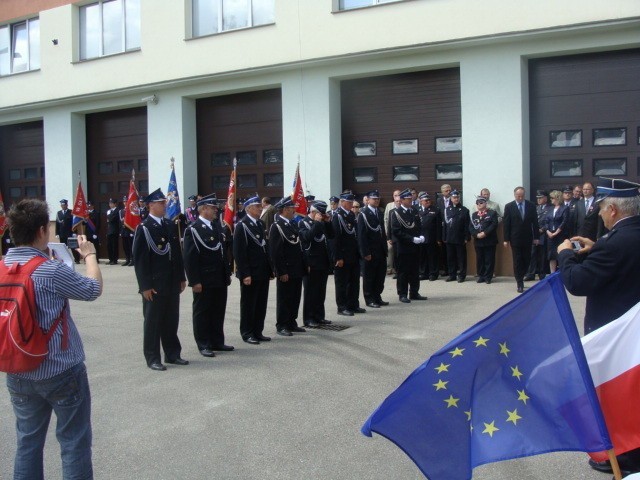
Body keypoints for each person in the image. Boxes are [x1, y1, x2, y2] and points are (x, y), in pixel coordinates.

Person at [4, 199, 102, 479]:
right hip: (60, 368)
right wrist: (90, 256)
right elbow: (92, 289)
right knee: (74, 442)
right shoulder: (49, 269)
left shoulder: (2, 267)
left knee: (27, 442)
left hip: (18, 368)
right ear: (40, 232)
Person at [558, 177, 640, 477]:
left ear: (614, 210)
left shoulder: (615, 243)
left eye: (602, 208)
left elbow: (577, 282)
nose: (601, 213)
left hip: (615, 337)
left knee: (619, 399)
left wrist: (564, 254)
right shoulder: (622, 238)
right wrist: (595, 248)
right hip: (634, 335)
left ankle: (627, 458)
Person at [132, 188, 188, 371]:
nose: (165, 205)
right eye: (161, 203)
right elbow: (140, 260)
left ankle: (172, 354)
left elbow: (176, 254)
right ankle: (152, 357)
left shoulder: (169, 224)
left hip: (171, 282)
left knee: (171, 320)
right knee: (153, 323)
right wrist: (145, 286)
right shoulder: (144, 228)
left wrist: (181, 277)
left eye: (165, 202)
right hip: (155, 285)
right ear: (150, 205)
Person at [182, 194, 233, 358]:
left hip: (219, 277)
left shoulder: (216, 227)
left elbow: (222, 252)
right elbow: (190, 258)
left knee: (218, 310)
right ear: (203, 209)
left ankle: (217, 341)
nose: (215, 210)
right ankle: (203, 343)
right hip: (203, 279)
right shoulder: (193, 229)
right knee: (202, 312)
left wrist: (226, 274)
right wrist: (194, 280)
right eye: (212, 208)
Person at [233, 195, 273, 345]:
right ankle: (247, 332)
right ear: (249, 209)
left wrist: (269, 269)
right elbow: (239, 252)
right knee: (249, 304)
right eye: (257, 206)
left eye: (259, 206)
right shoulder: (242, 225)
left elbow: (264, 248)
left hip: (262, 270)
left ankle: (258, 331)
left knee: (260, 303)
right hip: (250, 272)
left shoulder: (259, 224)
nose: (260, 208)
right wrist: (245, 273)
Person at [269, 197, 307, 336]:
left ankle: (292, 322)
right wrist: (281, 271)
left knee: (295, 297)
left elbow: (298, 247)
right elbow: (276, 252)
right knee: (284, 298)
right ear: (285, 210)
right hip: (286, 269)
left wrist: (303, 265)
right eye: (291, 208)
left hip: (296, 268)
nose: (294, 210)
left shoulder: (292, 224)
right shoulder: (277, 226)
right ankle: (282, 324)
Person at [299, 200, 334, 327]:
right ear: (313, 212)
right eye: (320, 213)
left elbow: (331, 235)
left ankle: (319, 316)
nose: (322, 215)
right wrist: (317, 223)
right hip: (311, 262)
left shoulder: (322, 223)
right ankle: (309, 318)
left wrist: (328, 222)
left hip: (323, 261)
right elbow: (307, 237)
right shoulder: (303, 223)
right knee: (310, 292)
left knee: (320, 291)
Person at [332, 192, 365, 316]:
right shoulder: (337, 216)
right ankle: (342, 306)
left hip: (353, 254)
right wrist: (338, 257)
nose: (351, 204)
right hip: (343, 255)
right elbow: (335, 239)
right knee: (342, 283)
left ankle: (353, 304)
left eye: (352, 202)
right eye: (349, 202)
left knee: (354, 282)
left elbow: (355, 235)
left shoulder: (351, 214)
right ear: (342, 202)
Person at [391, 188, 426, 303]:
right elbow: (396, 231)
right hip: (403, 247)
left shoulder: (414, 211)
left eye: (411, 198)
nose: (410, 200)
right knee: (403, 272)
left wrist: (421, 236)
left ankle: (414, 292)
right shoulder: (396, 213)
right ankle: (402, 294)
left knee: (415, 271)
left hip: (415, 247)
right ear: (401, 200)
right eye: (408, 199)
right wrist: (411, 239)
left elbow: (419, 226)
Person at [503, 186, 539, 293]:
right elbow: (506, 224)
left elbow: (535, 223)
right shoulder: (509, 206)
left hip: (528, 237)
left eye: (522, 196)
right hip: (515, 238)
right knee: (517, 260)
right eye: (518, 196)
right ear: (514, 195)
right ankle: (519, 282)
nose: (520, 198)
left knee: (527, 259)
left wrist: (536, 237)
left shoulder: (531, 205)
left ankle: (522, 274)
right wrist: (506, 239)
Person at [357, 190, 389, 308]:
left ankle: (377, 296)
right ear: (368, 199)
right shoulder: (363, 214)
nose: (376, 200)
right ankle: (369, 298)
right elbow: (361, 235)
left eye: (378, 199)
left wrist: (385, 248)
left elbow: (382, 232)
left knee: (380, 276)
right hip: (370, 251)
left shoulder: (379, 212)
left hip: (380, 249)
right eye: (374, 199)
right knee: (369, 276)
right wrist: (365, 252)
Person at [442, 190, 470, 282]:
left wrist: (467, 237)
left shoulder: (465, 210)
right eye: (454, 197)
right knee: (450, 258)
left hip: (460, 238)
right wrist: (444, 237)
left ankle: (462, 275)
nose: (456, 199)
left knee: (461, 258)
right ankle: (452, 275)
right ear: (451, 198)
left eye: (457, 197)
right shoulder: (447, 210)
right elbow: (445, 225)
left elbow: (467, 225)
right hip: (449, 238)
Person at [469, 196, 498, 284]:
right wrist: (476, 234)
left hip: (489, 240)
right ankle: (481, 276)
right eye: (477, 203)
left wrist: (485, 233)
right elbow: (471, 227)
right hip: (478, 240)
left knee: (489, 259)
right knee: (480, 259)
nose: (479, 205)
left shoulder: (492, 213)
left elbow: (493, 225)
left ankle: (488, 277)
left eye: (481, 203)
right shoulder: (474, 214)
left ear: (485, 203)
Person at [525, 190, 551, 281]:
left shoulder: (550, 208)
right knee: (532, 254)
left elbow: (550, 221)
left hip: (543, 234)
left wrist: (542, 229)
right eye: (538, 198)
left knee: (542, 255)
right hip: (534, 234)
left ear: (545, 198)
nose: (539, 200)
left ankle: (542, 274)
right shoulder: (535, 208)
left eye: (541, 198)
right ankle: (531, 273)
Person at [545, 190, 569, 273]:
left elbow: (564, 221)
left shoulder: (565, 208)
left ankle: (562, 273)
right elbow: (546, 221)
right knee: (551, 256)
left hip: (560, 235)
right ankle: (552, 273)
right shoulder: (550, 208)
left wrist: (556, 233)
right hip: (550, 235)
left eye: (552, 198)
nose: (551, 199)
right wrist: (548, 231)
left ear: (557, 198)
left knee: (560, 255)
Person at [418, 192, 441, 281]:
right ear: (421, 201)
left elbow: (439, 226)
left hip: (432, 237)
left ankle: (433, 274)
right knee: (422, 256)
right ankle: (423, 273)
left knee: (432, 257)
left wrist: (438, 238)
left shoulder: (435, 210)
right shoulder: (416, 209)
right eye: (425, 200)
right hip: (420, 238)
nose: (428, 202)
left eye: (428, 200)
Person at [55, 198, 80, 264]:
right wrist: (57, 233)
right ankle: (64, 260)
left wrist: (74, 232)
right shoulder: (59, 213)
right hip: (62, 233)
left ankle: (77, 259)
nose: (63, 206)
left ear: (67, 205)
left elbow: (74, 223)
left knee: (73, 247)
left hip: (69, 233)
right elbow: (57, 223)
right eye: (62, 205)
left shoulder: (71, 212)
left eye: (64, 205)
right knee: (63, 248)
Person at [383, 190, 401, 276]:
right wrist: (388, 235)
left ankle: (399, 269)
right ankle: (390, 268)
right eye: (395, 196)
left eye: (398, 195)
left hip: (401, 236)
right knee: (390, 249)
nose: (398, 202)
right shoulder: (390, 207)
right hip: (391, 235)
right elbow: (387, 220)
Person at [106, 198, 120, 264]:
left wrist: (110, 218)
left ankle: (115, 260)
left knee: (114, 245)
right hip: (109, 230)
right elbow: (108, 220)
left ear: (115, 204)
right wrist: (110, 217)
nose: (110, 205)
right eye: (109, 203)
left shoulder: (117, 210)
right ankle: (110, 259)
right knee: (109, 245)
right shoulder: (109, 211)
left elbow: (112, 219)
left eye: (111, 203)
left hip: (115, 230)